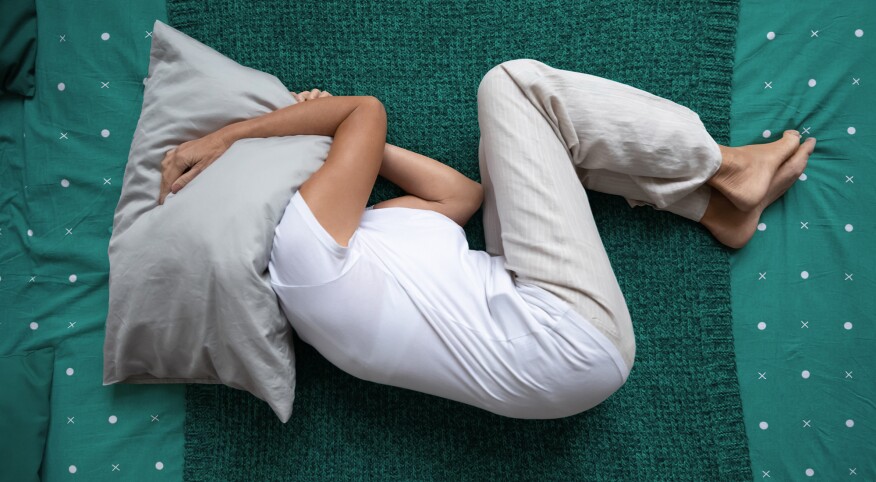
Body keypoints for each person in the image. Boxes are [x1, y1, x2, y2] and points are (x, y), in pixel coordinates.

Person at [158, 59, 815, 419]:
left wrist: (336, 145)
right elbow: (365, 110)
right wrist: (234, 136)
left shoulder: (342, 255)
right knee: (513, 88)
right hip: (562, 335)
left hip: (547, 343)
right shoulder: (299, 256)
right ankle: (730, 167)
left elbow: (461, 197)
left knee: (528, 147)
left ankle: (712, 209)